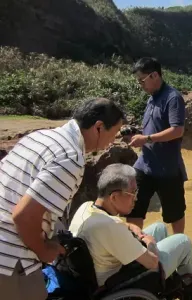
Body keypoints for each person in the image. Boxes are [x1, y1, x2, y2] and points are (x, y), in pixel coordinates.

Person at [0, 98, 125, 299]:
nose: (113, 140)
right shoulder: (70, 158)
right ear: (99, 128)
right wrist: (43, 250)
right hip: (10, 258)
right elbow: (23, 216)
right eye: (114, 133)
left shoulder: (39, 137)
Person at [69, 164, 192, 298]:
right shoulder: (111, 227)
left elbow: (112, 229)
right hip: (117, 281)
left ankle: (182, 286)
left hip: (102, 265)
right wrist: (149, 243)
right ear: (114, 197)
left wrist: (130, 226)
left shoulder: (87, 208)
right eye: (132, 193)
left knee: (159, 228)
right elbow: (152, 262)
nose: (136, 198)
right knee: (183, 242)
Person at [126, 57, 188, 234]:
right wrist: (135, 133)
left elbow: (177, 131)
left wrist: (146, 139)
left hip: (167, 167)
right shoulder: (151, 98)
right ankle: (135, 249)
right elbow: (153, 127)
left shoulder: (172, 98)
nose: (140, 85)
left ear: (154, 75)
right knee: (134, 207)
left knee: (174, 212)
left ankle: (180, 246)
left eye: (142, 81)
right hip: (144, 164)